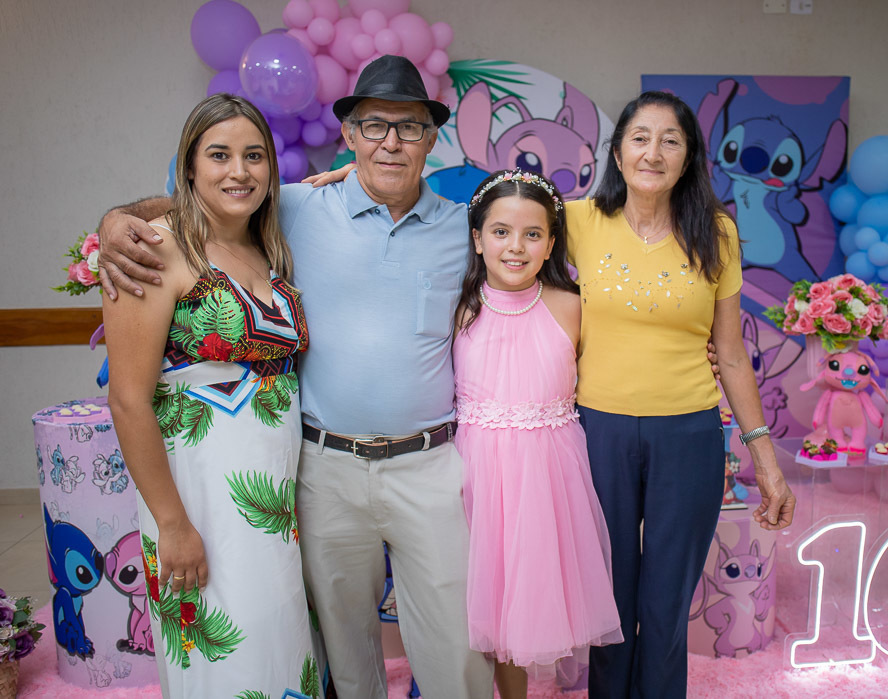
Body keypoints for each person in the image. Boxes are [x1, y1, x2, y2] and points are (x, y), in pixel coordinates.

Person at [98, 55, 493, 698]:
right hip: (322, 468)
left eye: (409, 127)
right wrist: (117, 220)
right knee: (343, 648)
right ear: (350, 135)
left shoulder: (467, 230)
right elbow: (202, 202)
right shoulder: (299, 209)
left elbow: (542, 246)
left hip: (428, 465)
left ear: (431, 138)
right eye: (374, 125)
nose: (391, 141)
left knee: (458, 649)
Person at [563, 91, 796, 698]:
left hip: (689, 435)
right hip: (597, 431)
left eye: (671, 140)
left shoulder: (716, 233)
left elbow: (732, 353)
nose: (654, 152)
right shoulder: (577, 221)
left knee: (666, 606)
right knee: (609, 603)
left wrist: (765, 462)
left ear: (689, 157)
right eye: (640, 138)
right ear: (618, 152)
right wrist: (359, 180)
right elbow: (489, 221)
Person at [103, 94, 315, 697]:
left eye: (254, 156)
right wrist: (172, 525)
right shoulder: (154, 250)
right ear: (189, 166)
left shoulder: (268, 247)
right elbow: (128, 401)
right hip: (195, 498)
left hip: (271, 499)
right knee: (225, 655)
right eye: (219, 155)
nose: (238, 171)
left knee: (277, 643)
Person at [455, 169, 623, 698]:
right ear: (477, 239)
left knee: (528, 600)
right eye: (500, 232)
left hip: (547, 477)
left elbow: (619, 362)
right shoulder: (457, 308)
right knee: (476, 599)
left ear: (551, 243)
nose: (516, 246)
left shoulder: (573, 306)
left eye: (532, 234)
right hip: (475, 471)